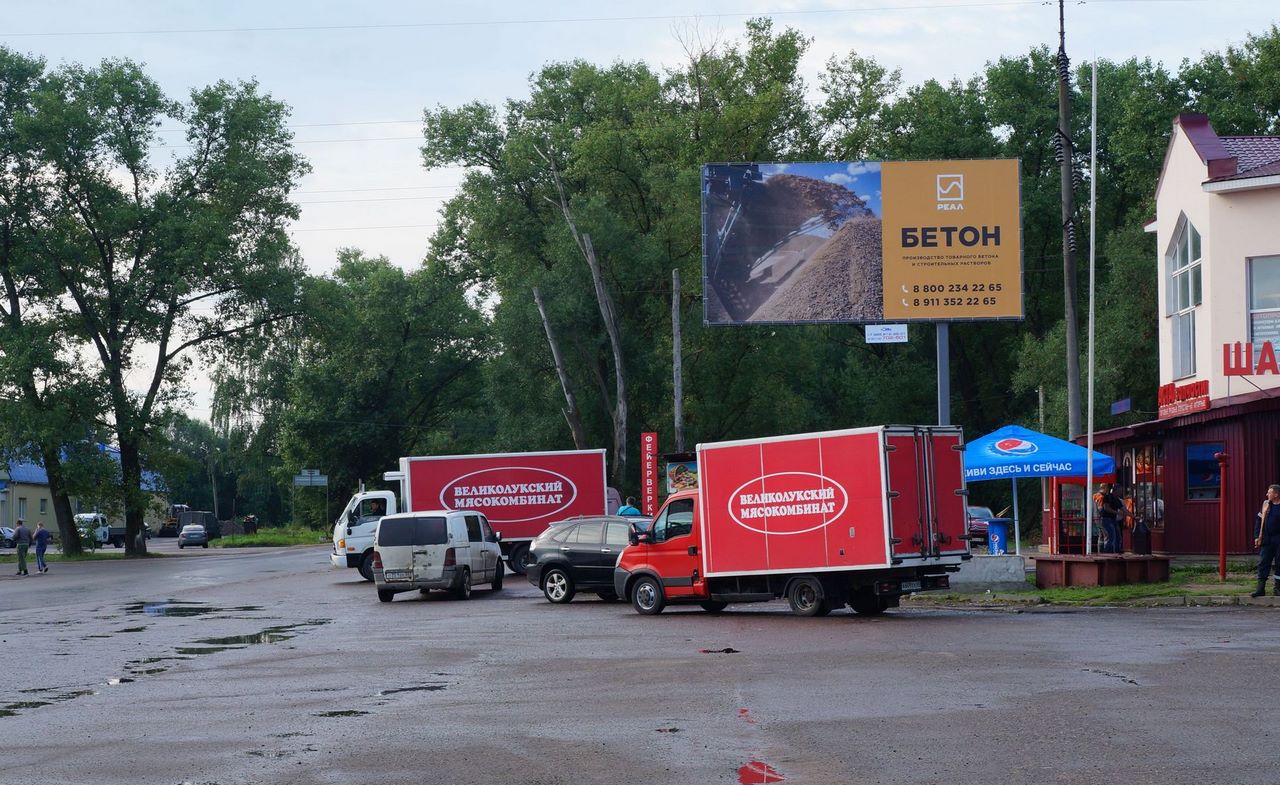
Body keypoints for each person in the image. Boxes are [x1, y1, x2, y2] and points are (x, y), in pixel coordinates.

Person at [1251, 484, 1280, 598]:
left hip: (1279, 539)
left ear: (1276, 494)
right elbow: (1259, 520)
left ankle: (1277, 588)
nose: (1267, 494)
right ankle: (1260, 589)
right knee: (1263, 562)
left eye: (1269, 492)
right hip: (1267, 539)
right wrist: (1257, 536)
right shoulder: (1266, 505)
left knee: (1279, 563)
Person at [1097, 483, 1126, 554]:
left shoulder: (1117, 500)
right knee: (1111, 537)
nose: (1121, 492)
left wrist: (1133, 516)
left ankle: (1116, 551)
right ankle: (1108, 552)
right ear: (1115, 490)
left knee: (1117, 537)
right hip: (1106, 519)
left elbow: (1124, 510)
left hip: (1113, 520)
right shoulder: (1107, 497)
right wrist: (1117, 512)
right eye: (1120, 491)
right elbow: (1106, 508)